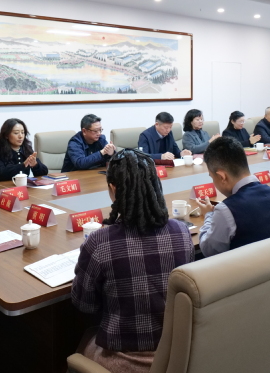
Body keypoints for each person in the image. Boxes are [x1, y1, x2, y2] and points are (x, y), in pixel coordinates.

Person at [72, 149, 194, 373]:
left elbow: (84, 304)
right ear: (155, 185)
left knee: (82, 339)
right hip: (176, 355)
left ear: (113, 189)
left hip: (123, 360)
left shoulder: (100, 242)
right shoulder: (181, 232)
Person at [195, 137, 270, 257]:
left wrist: (208, 215)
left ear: (222, 177)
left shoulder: (226, 210)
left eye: (212, 177)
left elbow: (209, 250)